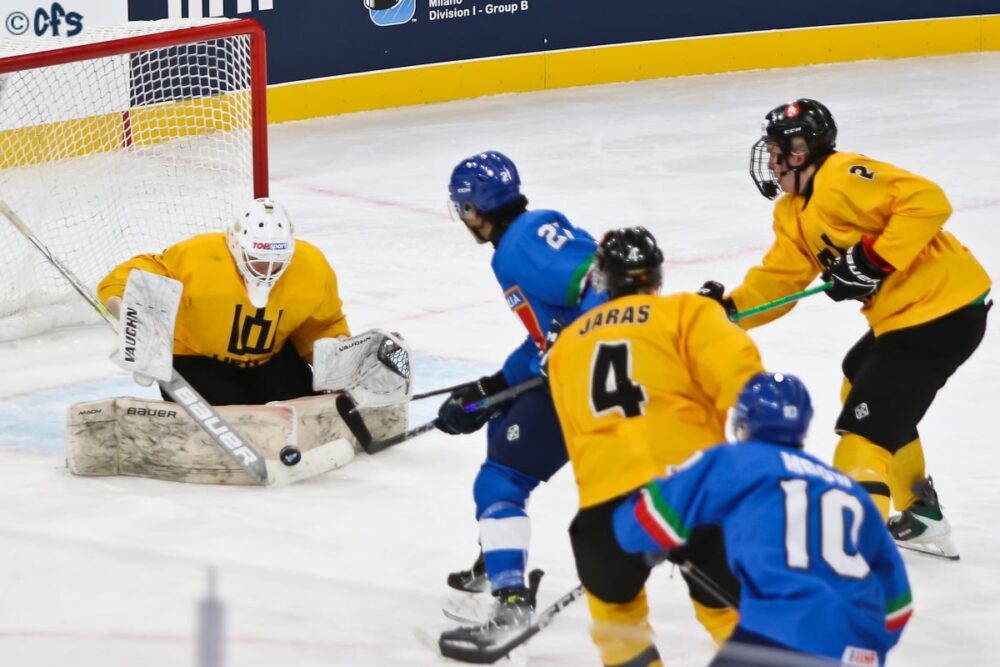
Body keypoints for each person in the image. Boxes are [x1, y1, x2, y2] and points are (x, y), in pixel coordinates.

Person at [698, 98, 991, 559]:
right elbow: (779, 283)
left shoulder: (842, 174)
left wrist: (874, 258)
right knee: (859, 377)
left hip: (939, 311)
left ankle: (856, 557)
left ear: (801, 151)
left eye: (778, 153)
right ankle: (920, 512)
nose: (771, 164)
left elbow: (927, 200)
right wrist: (727, 310)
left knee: (863, 438)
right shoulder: (793, 212)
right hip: (913, 315)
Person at [545, 227, 765, 667]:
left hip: (609, 507)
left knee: (617, 622)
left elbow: (576, 438)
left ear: (603, 280)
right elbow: (745, 386)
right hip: (697, 490)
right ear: (656, 275)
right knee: (732, 615)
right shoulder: (688, 311)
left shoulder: (567, 345)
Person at [614, 372, 913, 667]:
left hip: (776, 637)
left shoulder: (734, 461)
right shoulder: (848, 489)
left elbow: (638, 527)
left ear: (743, 423)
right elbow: (898, 603)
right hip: (860, 650)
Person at [435, 151, 605, 635]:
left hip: (592, 384)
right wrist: (497, 386)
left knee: (501, 480)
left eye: (463, 209)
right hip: (592, 374)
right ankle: (499, 549)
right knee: (501, 455)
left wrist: (580, 347)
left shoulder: (520, 245)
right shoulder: (530, 232)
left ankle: (510, 597)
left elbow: (601, 282)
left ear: (474, 210)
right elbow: (550, 332)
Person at [97, 197, 351, 405]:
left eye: (277, 260)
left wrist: (338, 358)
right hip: (194, 358)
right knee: (229, 412)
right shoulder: (199, 257)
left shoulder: (312, 267)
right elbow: (137, 272)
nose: (268, 269)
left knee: (299, 405)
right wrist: (125, 309)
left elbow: (321, 325)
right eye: (258, 258)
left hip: (268, 359)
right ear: (235, 244)